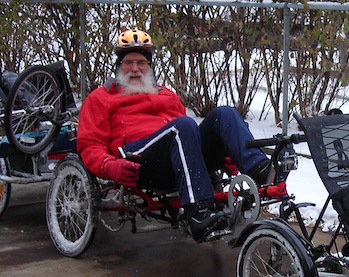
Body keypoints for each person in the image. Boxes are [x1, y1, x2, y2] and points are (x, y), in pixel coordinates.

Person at [76, 29, 276, 241]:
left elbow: (191, 136)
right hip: (139, 160)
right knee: (182, 126)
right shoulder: (101, 98)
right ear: (119, 66)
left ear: (149, 66)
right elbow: (89, 144)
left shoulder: (166, 94)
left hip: (178, 154)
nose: (135, 69)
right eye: (128, 62)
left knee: (224, 114)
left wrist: (225, 151)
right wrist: (108, 165)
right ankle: (198, 213)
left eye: (141, 63)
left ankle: (261, 171)